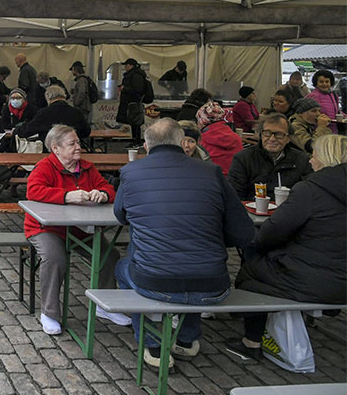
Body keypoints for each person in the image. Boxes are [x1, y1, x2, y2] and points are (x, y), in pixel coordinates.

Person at [114, 119, 254, 370]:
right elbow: (243, 232)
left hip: (153, 282)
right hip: (213, 283)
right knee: (194, 261)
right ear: (183, 143)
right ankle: (187, 339)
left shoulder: (130, 172)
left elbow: (121, 216)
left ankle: (151, 343)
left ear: (145, 145)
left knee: (122, 266)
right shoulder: (210, 172)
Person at [226, 134, 346, 364]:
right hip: (340, 277)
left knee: (253, 264)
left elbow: (272, 232)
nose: (311, 161)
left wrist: (252, 243)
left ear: (325, 158)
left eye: (315, 155)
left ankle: (251, 342)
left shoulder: (310, 190)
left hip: (316, 281)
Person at [24, 125, 129, 335]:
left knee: (109, 256)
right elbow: (33, 190)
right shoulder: (45, 167)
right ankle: (49, 313)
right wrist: (65, 196)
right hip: (47, 228)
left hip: (81, 229)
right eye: (72, 144)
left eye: (78, 142)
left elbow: (108, 188)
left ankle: (104, 305)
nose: (78, 147)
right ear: (56, 148)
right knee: (55, 258)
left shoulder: (87, 168)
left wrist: (103, 194)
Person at [228, 113, 311, 202]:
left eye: (279, 134)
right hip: (251, 212)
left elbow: (309, 194)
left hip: (289, 212)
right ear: (261, 135)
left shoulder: (302, 160)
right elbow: (234, 197)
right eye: (267, 133)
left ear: (289, 138)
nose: (272, 139)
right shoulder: (243, 158)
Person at [14, 85, 90, 148]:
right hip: (71, 150)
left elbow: (27, 130)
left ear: (48, 98)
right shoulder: (76, 112)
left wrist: (17, 130)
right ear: (64, 96)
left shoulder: (44, 113)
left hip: (50, 151)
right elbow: (86, 131)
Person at [197, 101, 243, 175]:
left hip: (212, 180)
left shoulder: (202, 140)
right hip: (235, 180)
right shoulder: (236, 138)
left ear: (203, 120)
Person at [116, 58, 149, 143]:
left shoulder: (135, 75)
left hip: (133, 102)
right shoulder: (135, 74)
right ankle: (135, 140)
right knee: (134, 122)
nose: (125, 67)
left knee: (135, 122)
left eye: (126, 65)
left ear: (131, 66)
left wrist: (125, 88)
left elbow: (137, 89)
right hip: (132, 102)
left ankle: (136, 141)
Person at [306, 69, 340, 134]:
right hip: (318, 132)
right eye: (321, 82)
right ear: (316, 83)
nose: (324, 84)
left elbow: (337, 111)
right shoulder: (312, 96)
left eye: (327, 82)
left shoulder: (333, 95)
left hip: (334, 131)